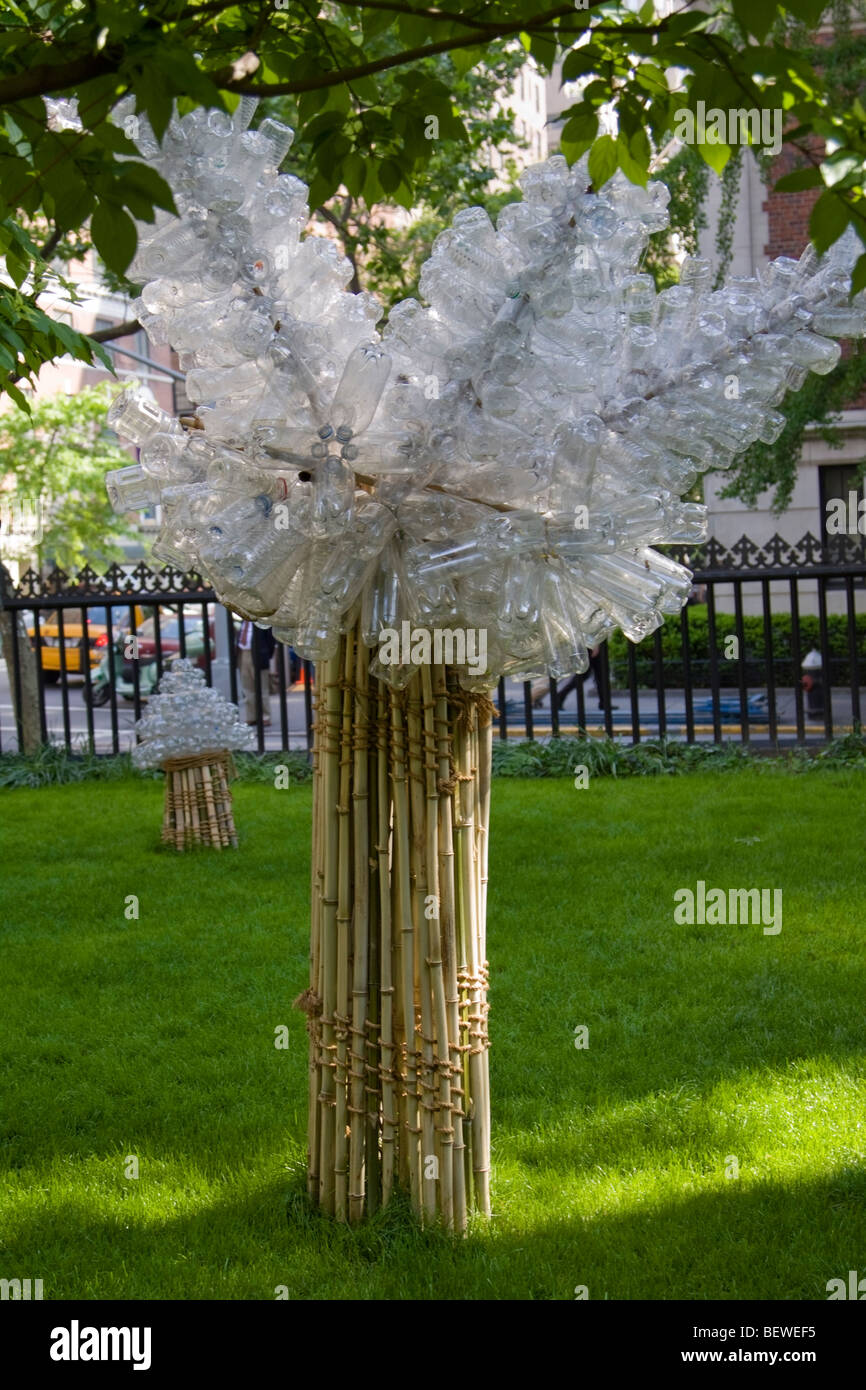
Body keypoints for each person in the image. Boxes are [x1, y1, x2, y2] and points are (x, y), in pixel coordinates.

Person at [533, 645, 618, 711]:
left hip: (593, 642)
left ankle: (604, 702)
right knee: (592, 673)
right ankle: (560, 696)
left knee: (598, 674)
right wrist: (595, 644)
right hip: (593, 642)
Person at [237, 619, 276, 726]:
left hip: (258, 655)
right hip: (244, 653)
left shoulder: (261, 622)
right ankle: (251, 716)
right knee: (247, 688)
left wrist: (266, 655)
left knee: (262, 688)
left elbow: (270, 640)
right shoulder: (243, 621)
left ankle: (265, 716)